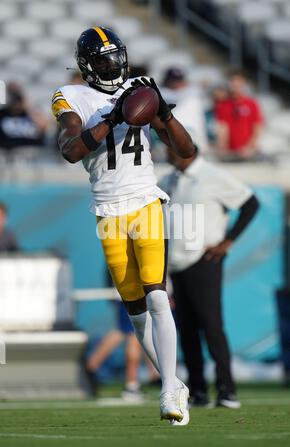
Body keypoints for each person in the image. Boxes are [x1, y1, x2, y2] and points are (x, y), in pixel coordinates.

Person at [52, 26, 195, 425]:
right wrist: (111, 117)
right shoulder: (69, 96)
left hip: (146, 200)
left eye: (117, 57)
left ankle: (168, 391)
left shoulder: (140, 87)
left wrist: (164, 111)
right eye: (104, 60)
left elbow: (186, 151)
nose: (114, 66)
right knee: (135, 312)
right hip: (108, 211)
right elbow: (70, 150)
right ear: (88, 65)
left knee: (157, 295)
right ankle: (175, 382)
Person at [160, 142, 259, 408]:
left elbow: (250, 203)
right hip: (176, 264)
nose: (166, 152)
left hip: (204, 260)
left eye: (171, 147)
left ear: (186, 149)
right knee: (188, 329)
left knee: (211, 325)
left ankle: (227, 390)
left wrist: (227, 242)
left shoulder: (211, 176)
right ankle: (198, 390)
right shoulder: (168, 179)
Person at [215, 70, 264, 160]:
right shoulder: (223, 105)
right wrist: (222, 147)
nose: (235, 85)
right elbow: (223, 128)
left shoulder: (251, 104)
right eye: (233, 82)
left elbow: (257, 127)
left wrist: (249, 147)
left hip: (248, 151)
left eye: (238, 82)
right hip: (231, 153)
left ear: (244, 84)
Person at [161, 67, 208, 154]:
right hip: (174, 136)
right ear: (167, 81)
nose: (177, 83)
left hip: (196, 135)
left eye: (179, 80)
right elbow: (174, 96)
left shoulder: (193, 92)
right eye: (173, 80)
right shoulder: (162, 93)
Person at [0, 82, 48, 150]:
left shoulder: (32, 112)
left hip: (33, 151)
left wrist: (28, 107)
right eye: (11, 94)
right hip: (8, 152)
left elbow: (44, 128)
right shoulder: (2, 114)